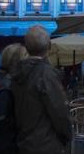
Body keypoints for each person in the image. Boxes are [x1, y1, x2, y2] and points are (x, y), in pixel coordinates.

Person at [12, 25, 72, 154]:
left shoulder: (17, 73)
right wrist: (67, 135)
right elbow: (59, 111)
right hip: (46, 143)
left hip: (24, 141)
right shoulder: (46, 75)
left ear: (27, 47)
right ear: (49, 46)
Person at [0, 43, 28, 154]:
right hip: (9, 144)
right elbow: (4, 121)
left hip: (7, 142)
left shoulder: (7, 81)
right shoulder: (7, 86)